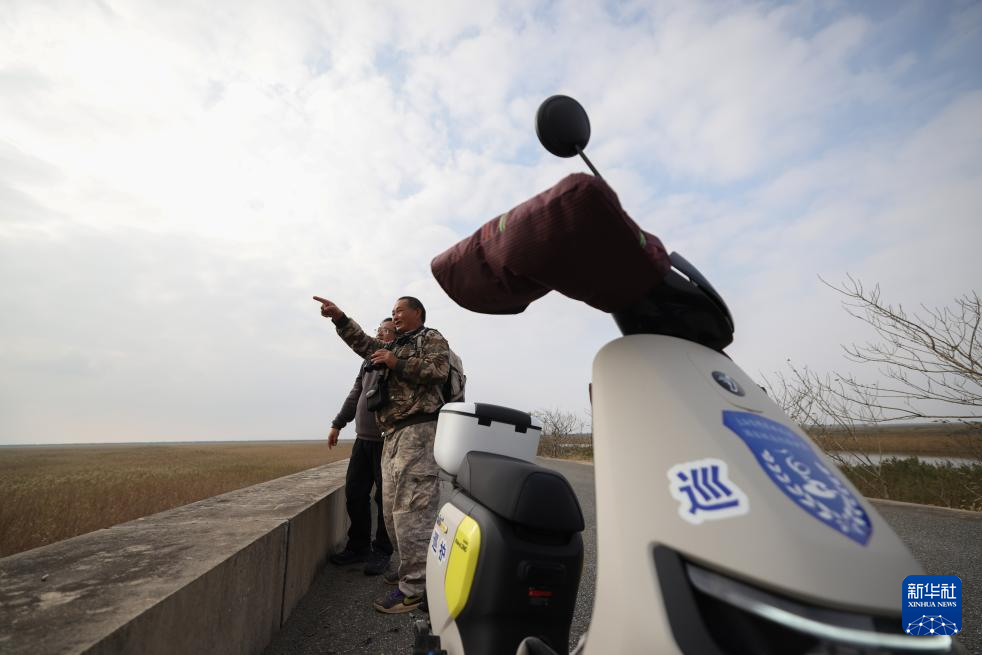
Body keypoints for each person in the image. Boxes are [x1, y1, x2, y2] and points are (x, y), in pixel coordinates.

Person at [313, 294, 449, 614]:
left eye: (400, 311)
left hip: (418, 431)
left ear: (418, 312)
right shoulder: (394, 344)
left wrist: (396, 363)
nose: (395, 316)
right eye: (392, 312)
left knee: (411, 510)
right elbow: (362, 342)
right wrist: (340, 317)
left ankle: (416, 590)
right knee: (391, 512)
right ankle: (412, 575)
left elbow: (438, 372)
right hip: (392, 434)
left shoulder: (430, 338)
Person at [327, 318, 396, 576]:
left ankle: (382, 551)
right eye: (379, 330)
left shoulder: (398, 360)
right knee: (355, 494)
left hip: (388, 441)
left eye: (386, 331)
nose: (381, 334)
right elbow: (355, 393)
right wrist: (338, 423)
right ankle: (358, 547)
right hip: (363, 440)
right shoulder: (367, 362)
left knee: (385, 499)